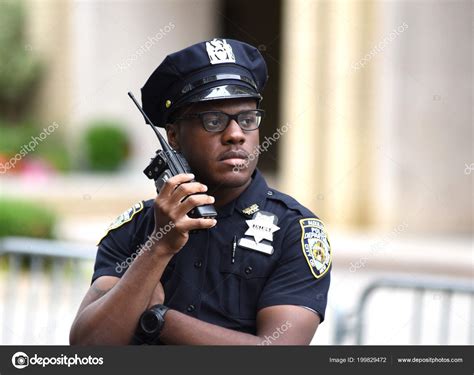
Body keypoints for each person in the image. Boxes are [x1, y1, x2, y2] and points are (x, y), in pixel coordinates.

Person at [69, 38, 331, 345]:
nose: (235, 135)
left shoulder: (294, 232)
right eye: (214, 120)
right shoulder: (137, 227)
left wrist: (160, 319)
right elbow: (87, 347)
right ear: (174, 136)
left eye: (247, 119)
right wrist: (157, 248)